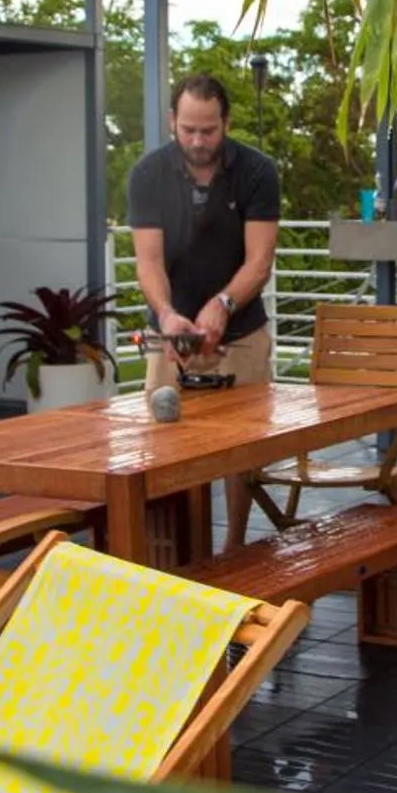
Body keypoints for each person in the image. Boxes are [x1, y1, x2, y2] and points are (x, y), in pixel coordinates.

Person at [126, 72, 280, 544]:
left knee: (243, 456)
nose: (197, 140)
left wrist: (224, 303)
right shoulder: (148, 174)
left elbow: (260, 261)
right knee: (163, 450)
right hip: (171, 337)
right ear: (173, 120)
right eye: (188, 129)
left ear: (226, 123)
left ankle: (235, 547)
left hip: (241, 332)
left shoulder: (257, 172)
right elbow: (148, 262)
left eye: (208, 130)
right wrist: (168, 314)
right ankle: (176, 560)